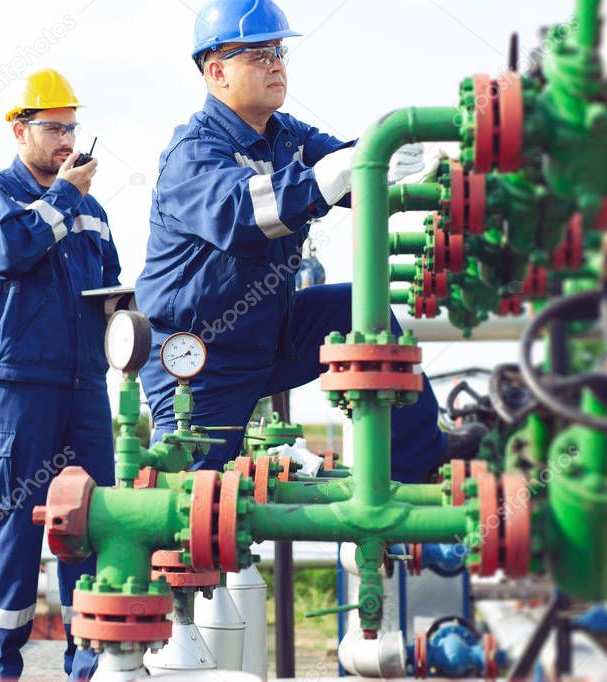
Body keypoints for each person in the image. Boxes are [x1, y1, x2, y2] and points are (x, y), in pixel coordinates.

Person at [135, 0, 457, 479]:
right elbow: (243, 213)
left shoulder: (285, 135)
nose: (276, 65)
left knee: (356, 312)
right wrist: (331, 175)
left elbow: (348, 168)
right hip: (205, 359)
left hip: (270, 335)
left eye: (279, 52)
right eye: (259, 55)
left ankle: (414, 474)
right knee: (192, 513)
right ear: (218, 71)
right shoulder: (193, 153)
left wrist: (400, 169)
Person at [0, 67, 119, 680]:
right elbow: (10, 252)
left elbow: (112, 289)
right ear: (20, 129)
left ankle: (91, 661)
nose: (66, 141)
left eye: (72, 129)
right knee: (7, 530)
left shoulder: (93, 211)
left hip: (85, 388)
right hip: (17, 387)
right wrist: (65, 195)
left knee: (93, 523)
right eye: (54, 128)